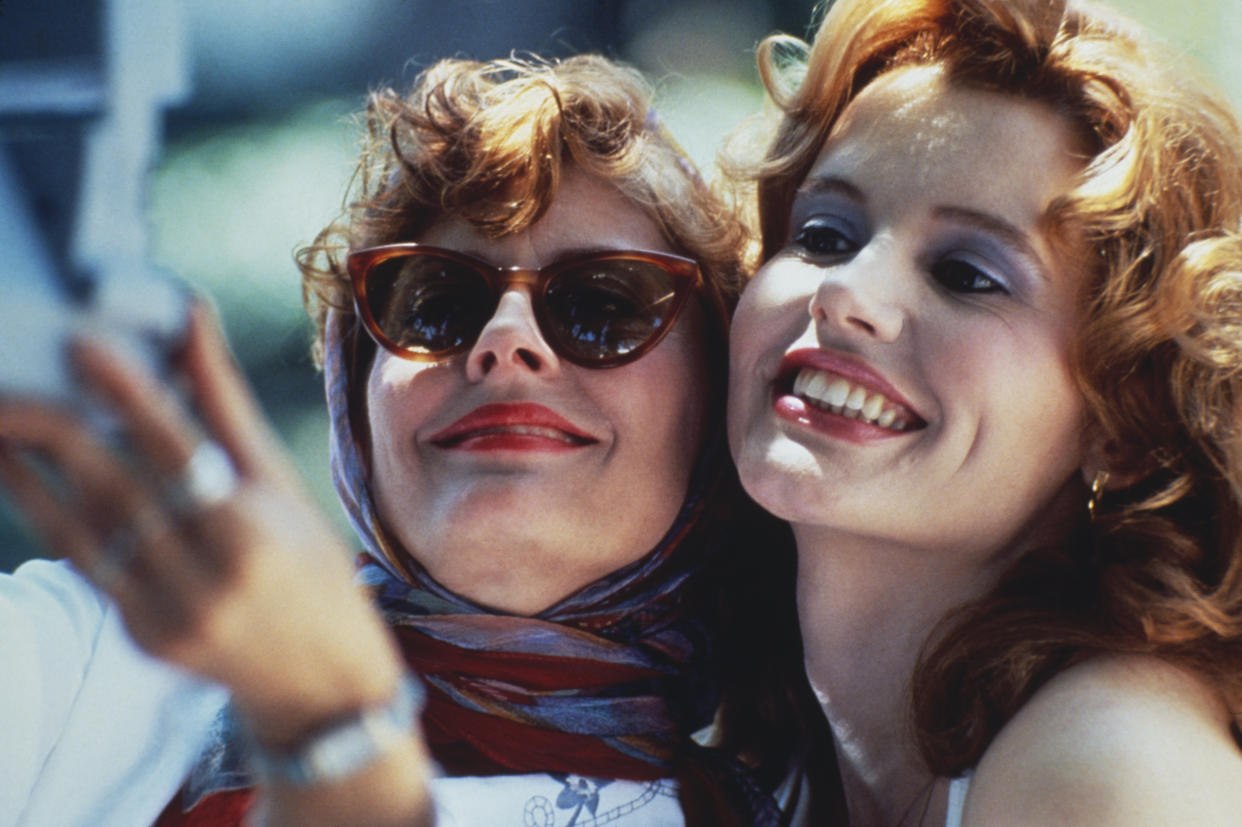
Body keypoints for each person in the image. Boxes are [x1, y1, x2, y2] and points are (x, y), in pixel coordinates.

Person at [0, 55, 808, 826]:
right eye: (435, 302)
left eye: (604, 303)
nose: (506, 339)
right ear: (355, 397)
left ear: (717, 396)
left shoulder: (818, 804)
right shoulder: (122, 642)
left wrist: (329, 729)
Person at [725, 0, 1242, 824]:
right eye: (823, 233)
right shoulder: (756, 748)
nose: (847, 291)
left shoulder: (1110, 763)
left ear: (1127, 425)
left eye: (966, 274)